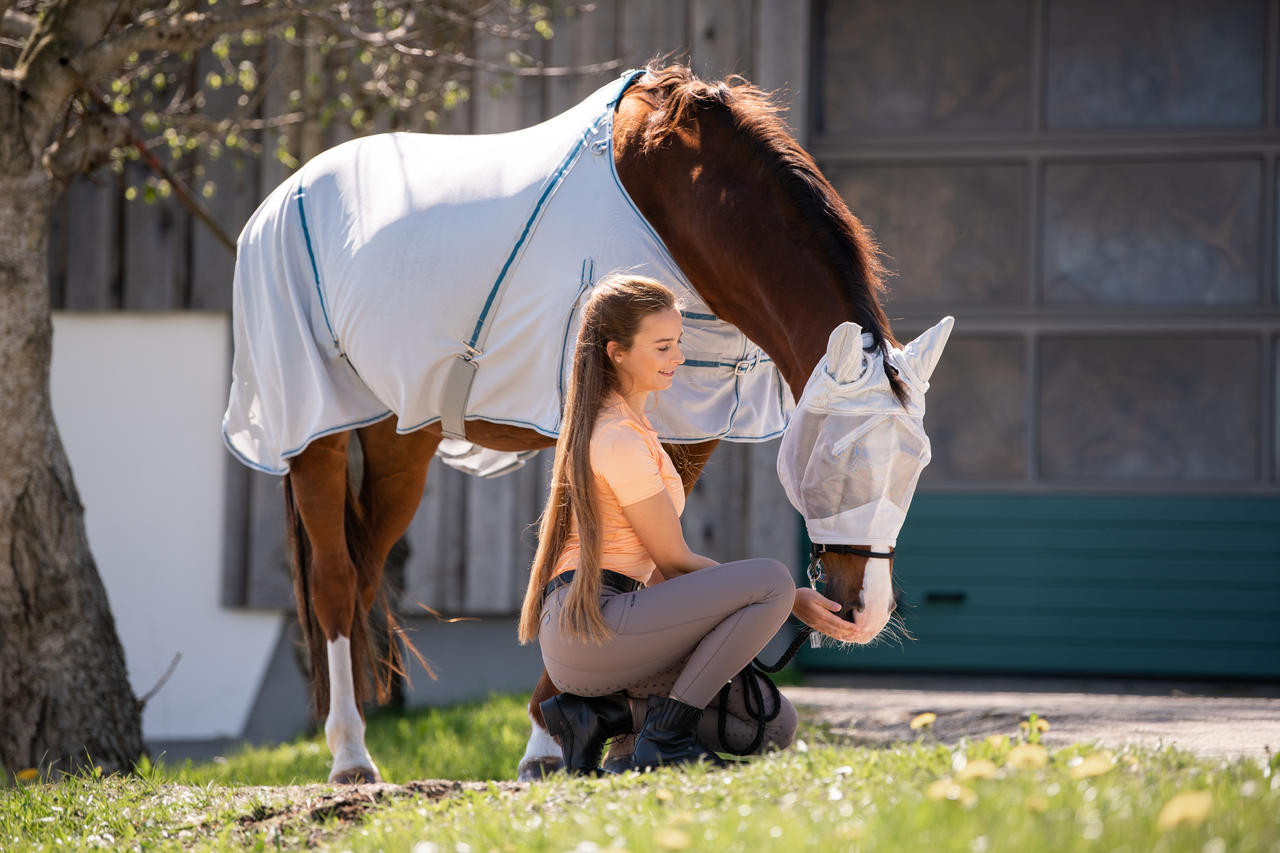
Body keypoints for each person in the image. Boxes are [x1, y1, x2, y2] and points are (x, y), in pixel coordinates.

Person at [517, 273, 853, 773]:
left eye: (678, 342)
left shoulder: (632, 427)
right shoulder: (618, 439)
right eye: (663, 346)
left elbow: (656, 573)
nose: (678, 357)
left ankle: (606, 721)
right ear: (617, 353)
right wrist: (786, 601)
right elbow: (673, 561)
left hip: (619, 621)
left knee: (768, 726)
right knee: (771, 581)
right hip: (593, 627)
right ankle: (666, 739)